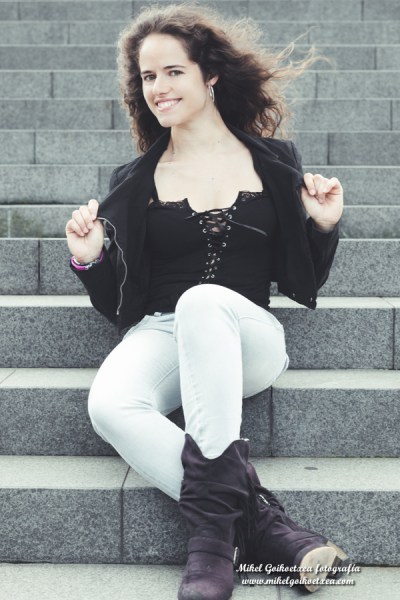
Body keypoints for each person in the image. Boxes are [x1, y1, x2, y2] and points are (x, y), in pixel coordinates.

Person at [66, 4, 348, 599]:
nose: (159, 88)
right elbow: (120, 303)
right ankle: (259, 522)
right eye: (148, 77)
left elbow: (303, 275)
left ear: (209, 75)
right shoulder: (133, 181)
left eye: (173, 72)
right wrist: (90, 259)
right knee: (111, 405)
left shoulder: (275, 163)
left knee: (203, 301)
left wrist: (322, 225)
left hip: (246, 335)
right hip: (162, 329)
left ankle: (211, 550)